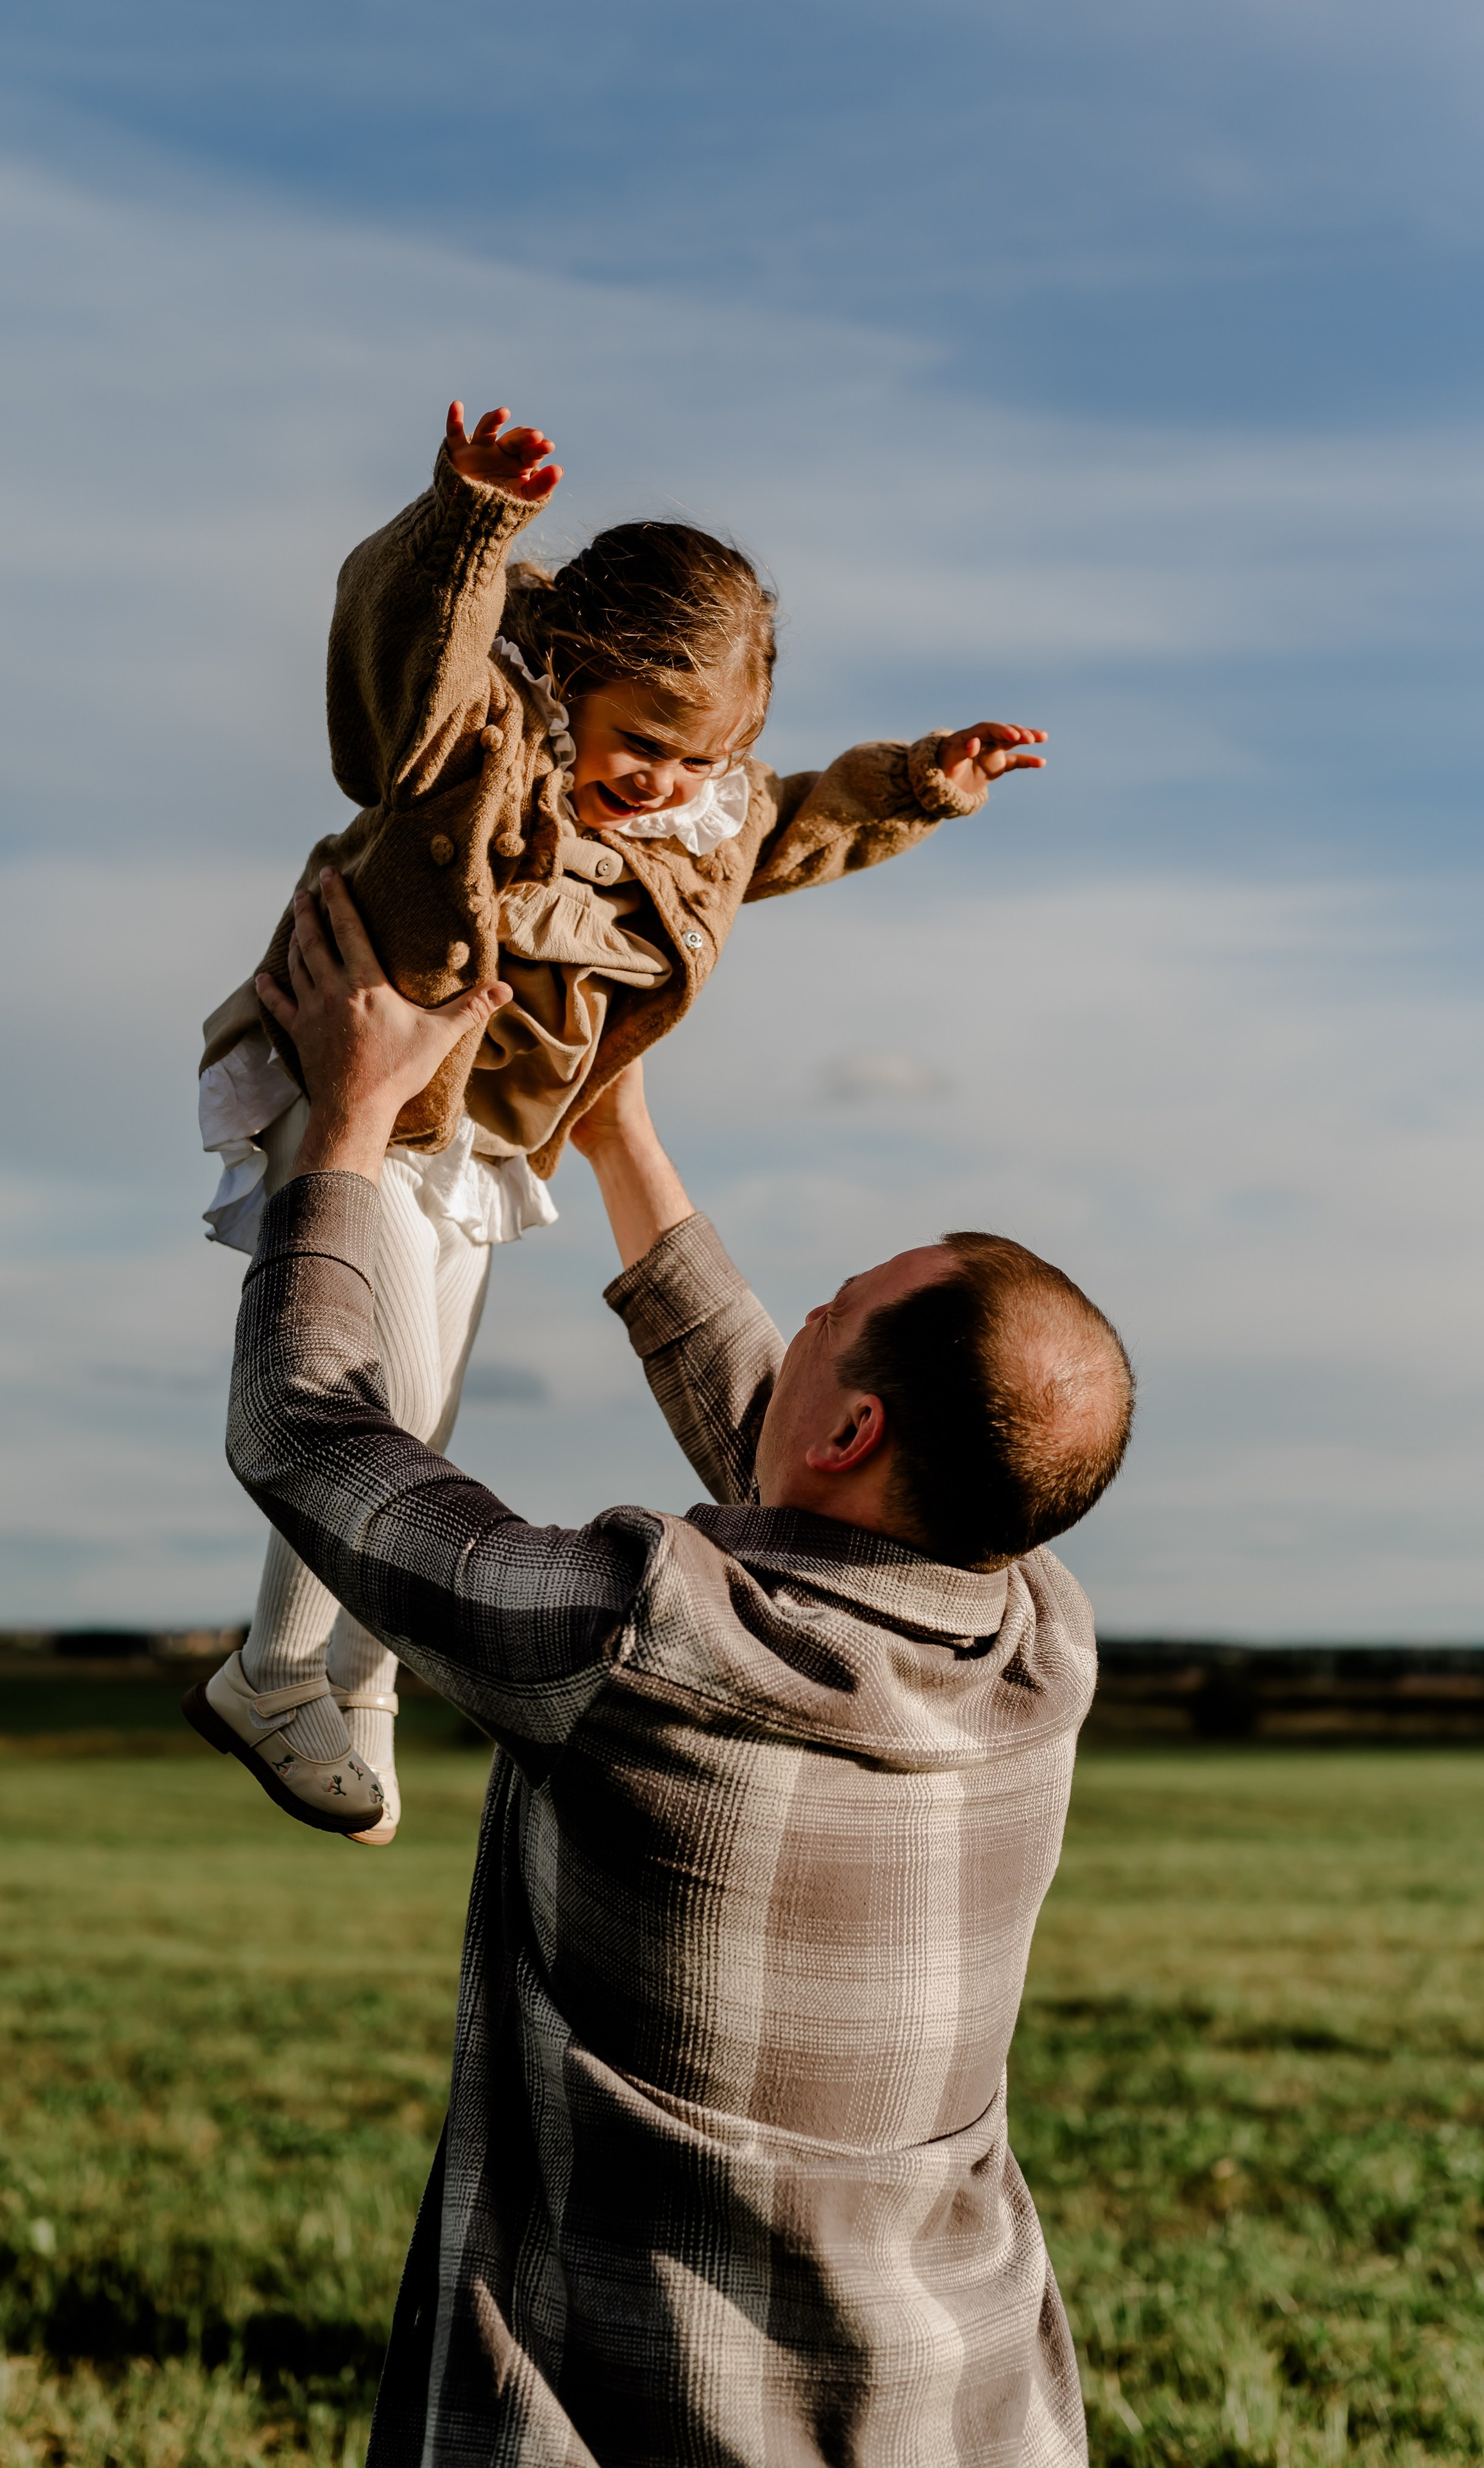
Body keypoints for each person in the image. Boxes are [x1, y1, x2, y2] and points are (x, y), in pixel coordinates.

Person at [203, 870, 1132, 2465]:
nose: (802, 1318)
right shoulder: (1034, 1634)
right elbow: (797, 1462)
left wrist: (350, 1129)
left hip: (636, 2413)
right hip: (957, 2407)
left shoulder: (640, 1645)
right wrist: (615, 1123)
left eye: (830, 1311)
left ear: (852, 1431)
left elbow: (310, 1433)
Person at [192, 401, 1049, 1845]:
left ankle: (359, 1676)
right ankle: (274, 1673)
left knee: (431, 1406)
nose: (668, 781)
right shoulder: (477, 740)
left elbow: (785, 823)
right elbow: (404, 666)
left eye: (702, 756)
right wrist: (466, 524)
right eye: (644, 739)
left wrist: (916, 786)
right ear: (570, 675)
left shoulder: (693, 816)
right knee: (366, 1396)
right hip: (360, 1078)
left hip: (478, 1134)